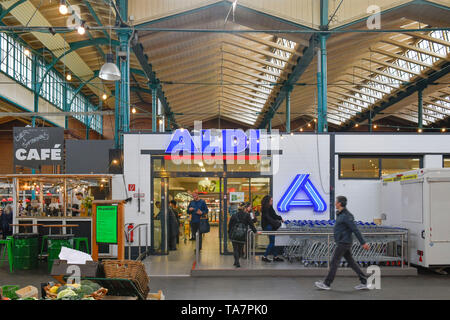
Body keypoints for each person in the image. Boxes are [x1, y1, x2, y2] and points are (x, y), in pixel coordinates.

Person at [315, 196, 370, 291]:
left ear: (340, 203)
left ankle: (327, 283)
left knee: (334, 262)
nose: (335, 203)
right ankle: (364, 281)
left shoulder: (346, 216)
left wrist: (363, 243)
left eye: (336, 202)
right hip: (343, 242)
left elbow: (355, 229)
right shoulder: (340, 214)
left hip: (344, 242)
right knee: (351, 262)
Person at [228, 202, 257, 267]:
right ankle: (237, 260)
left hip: (234, 235)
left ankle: (236, 261)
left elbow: (230, 225)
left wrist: (229, 233)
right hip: (243, 234)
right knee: (240, 249)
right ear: (244, 208)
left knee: (235, 249)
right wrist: (255, 231)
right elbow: (251, 224)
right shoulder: (247, 215)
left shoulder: (234, 215)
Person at [261, 195, 284, 262]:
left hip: (269, 226)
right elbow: (269, 218)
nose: (272, 201)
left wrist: (280, 218)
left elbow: (273, 215)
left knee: (273, 242)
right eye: (271, 200)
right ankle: (264, 256)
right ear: (268, 201)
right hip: (268, 227)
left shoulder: (268, 207)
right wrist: (277, 222)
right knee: (272, 242)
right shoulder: (265, 208)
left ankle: (275, 256)